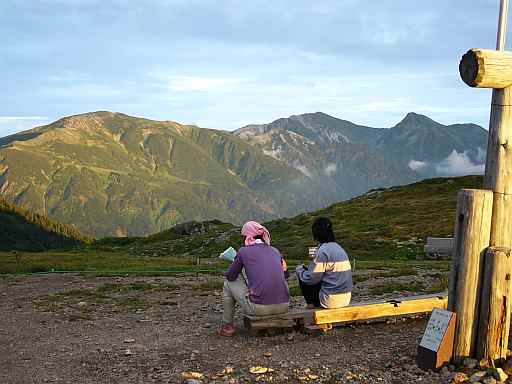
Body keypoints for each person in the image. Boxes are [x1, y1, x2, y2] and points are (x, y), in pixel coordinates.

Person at [218, 221, 289, 336]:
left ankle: (228, 326)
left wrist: (236, 261)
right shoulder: (275, 251)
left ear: (248, 236)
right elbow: (285, 275)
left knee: (228, 283)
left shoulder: (243, 251)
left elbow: (231, 276)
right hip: (284, 306)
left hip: (259, 309)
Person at [296, 217, 352, 309]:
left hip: (330, 301)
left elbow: (312, 278)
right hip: (346, 299)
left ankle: (311, 304)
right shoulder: (339, 248)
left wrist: (299, 270)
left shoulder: (323, 251)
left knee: (303, 272)